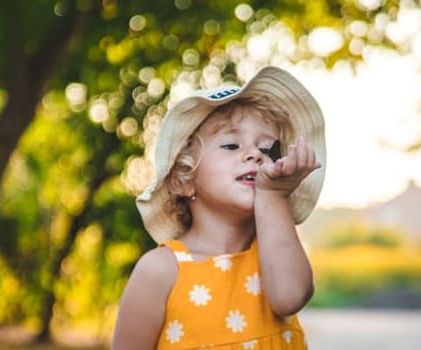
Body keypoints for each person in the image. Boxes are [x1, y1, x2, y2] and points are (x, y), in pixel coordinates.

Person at [112, 66, 327, 349]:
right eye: (230, 145)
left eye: (266, 149)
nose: (254, 155)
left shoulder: (274, 255)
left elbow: (290, 297)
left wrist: (273, 195)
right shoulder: (161, 270)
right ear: (184, 179)